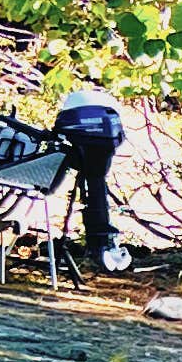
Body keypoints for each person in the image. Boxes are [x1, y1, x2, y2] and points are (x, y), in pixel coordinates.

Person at [49, 84, 128, 274]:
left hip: (87, 149)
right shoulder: (102, 127)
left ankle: (100, 240)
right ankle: (100, 239)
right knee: (95, 179)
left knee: (94, 178)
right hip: (95, 152)